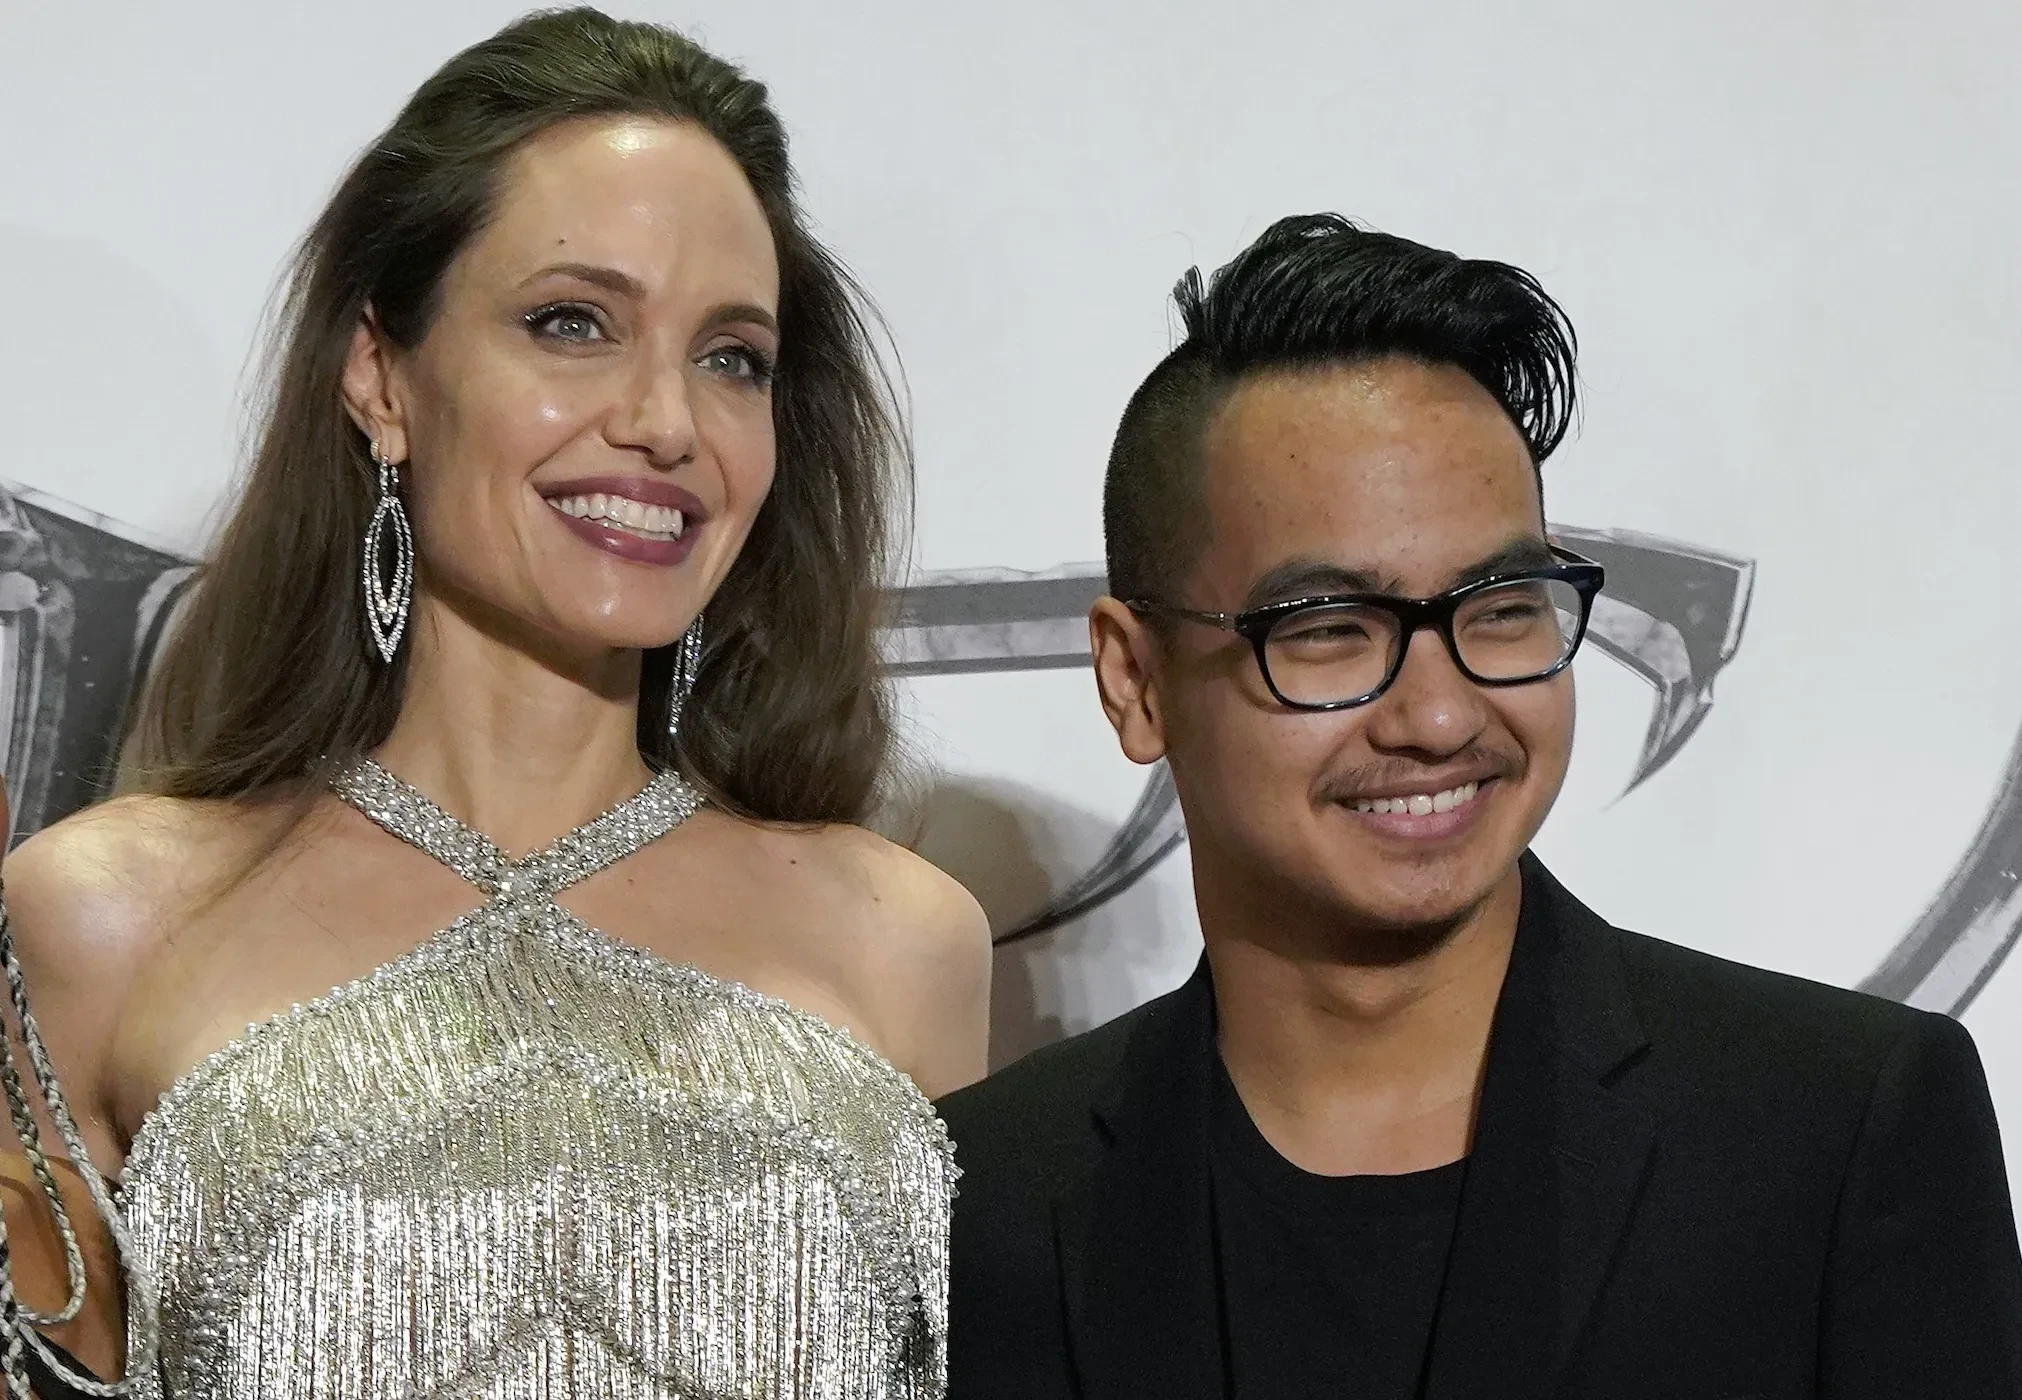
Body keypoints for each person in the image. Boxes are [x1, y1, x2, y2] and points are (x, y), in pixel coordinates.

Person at [0, 8, 990, 1397]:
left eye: (732, 356)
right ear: (381, 377)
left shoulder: (903, 942)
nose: (666, 422)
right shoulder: (101, 917)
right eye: (571, 323)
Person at [938, 214, 2022, 1399]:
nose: (1442, 714)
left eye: (1502, 607)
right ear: (1135, 679)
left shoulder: (1839, 1131)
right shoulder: (973, 1203)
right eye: (1330, 627)